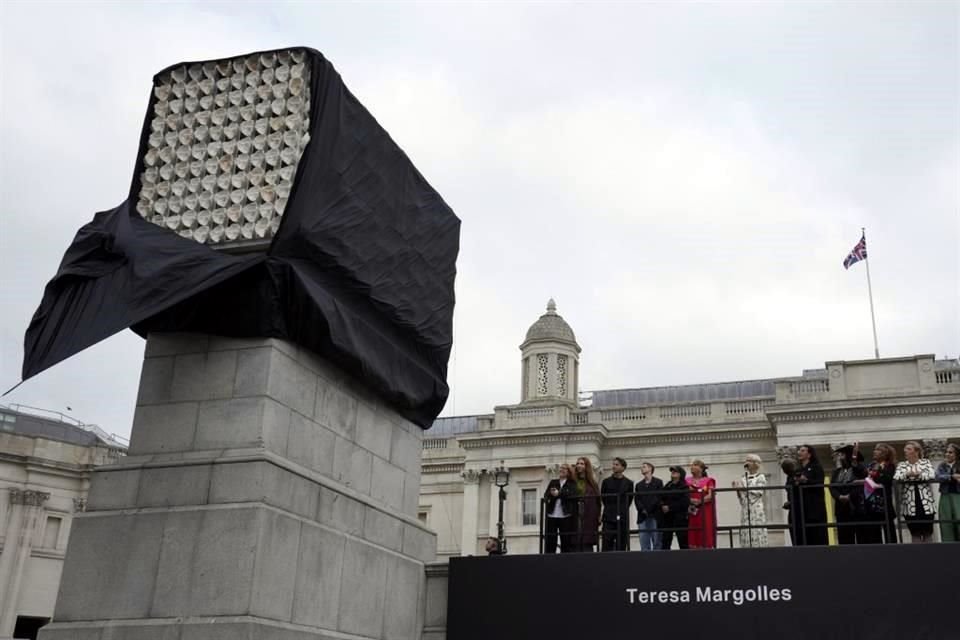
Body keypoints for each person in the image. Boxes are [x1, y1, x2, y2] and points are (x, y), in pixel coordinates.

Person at [894, 441, 936, 543]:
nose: (905, 451)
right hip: (909, 503)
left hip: (926, 503)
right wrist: (908, 474)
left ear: (916, 451)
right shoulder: (902, 465)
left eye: (908, 449)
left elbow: (931, 475)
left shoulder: (925, 462)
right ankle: (918, 556)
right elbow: (896, 477)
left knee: (927, 531)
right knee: (915, 532)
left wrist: (918, 475)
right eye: (905, 449)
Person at [830, 443, 867, 545]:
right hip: (841, 508)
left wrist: (850, 496)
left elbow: (861, 484)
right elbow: (832, 487)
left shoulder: (858, 469)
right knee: (844, 538)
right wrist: (839, 496)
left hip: (856, 507)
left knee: (861, 538)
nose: (840, 458)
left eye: (842, 455)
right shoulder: (837, 472)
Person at [862, 443, 897, 544]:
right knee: (874, 534)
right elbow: (866, 477)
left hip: (884, 502)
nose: (874, 452)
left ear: (885, 453)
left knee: (889, 533)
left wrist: (877, 474)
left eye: (877, 450)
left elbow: (886, 479)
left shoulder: (890, 466)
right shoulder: (871, 465)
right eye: (875, 450)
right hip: (871, 503)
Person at [794, 444, 828, 546]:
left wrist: (806, 480)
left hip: (815, 507)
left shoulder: (816, 467)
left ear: (809, 454)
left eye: (803, 451)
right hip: (802, 507)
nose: (799, 452)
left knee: (817, 536)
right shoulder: (798, 470)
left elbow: (820, 483)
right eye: (799, 450)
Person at [733, 454, 768, 548]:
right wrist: (737, 489)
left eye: (749, 460)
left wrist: (743, 488)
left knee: (756, 526)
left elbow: (758, 492)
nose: (746, 462)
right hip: (745, 507)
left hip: (755, 507)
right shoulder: (743, 478)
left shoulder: (760, 477)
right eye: (746, 460)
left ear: (755, 463)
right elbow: (741, 496)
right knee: (746, 526)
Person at [600, 457, 634, 551]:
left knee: (622, 544)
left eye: (616, 464)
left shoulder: (629, 483)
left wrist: (621, 509)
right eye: (613, 464)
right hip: (608, 516)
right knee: (606, 543)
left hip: (622, 517)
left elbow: (629, 500)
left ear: (623, 468)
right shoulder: (606, 482)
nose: (614, 466)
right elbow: (604, 498)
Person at [544, 463, 578, 553]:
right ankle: (549, 559)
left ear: (569, 472)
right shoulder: (553, 482)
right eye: (561, 468)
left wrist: (559, 494)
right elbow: (546, 495)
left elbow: (572, 494)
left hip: (565, 515)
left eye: (564, 468)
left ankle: (565, 560)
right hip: (552, 515)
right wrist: (551, 494)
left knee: (565, 540)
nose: (561, 470)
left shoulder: (572, 483)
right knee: (550, 541)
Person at [634, 462, 664, 551]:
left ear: (650, 469)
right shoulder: (639, 485)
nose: (642, 468)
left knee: (657, 541)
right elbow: (637, 499)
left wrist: (649, 508)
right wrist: (642, 509)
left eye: (644, 467)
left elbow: (658, 497)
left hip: (655, 515)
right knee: (644, 541)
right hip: (643, 516)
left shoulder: (658, 482)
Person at [686, 460, 716, 549]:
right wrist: (690, 500)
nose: (692, 467)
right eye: (691, 465)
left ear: (701, 469)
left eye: (695, 465)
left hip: (705, 509)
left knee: (705, 529)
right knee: (692, 530)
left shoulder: (709, 480)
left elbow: (710, 496)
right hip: (691, 510)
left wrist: (699, 501)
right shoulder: (686, 480)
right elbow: (684, 494)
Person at [574, 456, 601, 552]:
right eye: (577, 463)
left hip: (589, 513)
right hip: (575, 511)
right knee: (575, 539)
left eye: (581, 463)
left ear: (586, 466)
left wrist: (598, 515)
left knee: (586, 541)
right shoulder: (572, 482)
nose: (579, 465)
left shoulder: (592, 483)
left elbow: (598, 501)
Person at [935, 443, 960, 542]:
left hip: (958, 495)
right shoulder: (942, 465)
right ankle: (948, 547)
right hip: (945, 495)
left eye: (950, 452)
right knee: (946, 522)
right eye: (946, 452)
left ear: (957, 454)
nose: (947, 454)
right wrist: (951, 477)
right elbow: (937, 476)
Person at [660, 465, 689, 550]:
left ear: (680, 474)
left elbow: (685, 502)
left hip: (680, 517)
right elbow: (661, 496)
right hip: (667, 517)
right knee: (665, 541)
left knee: (682, 541)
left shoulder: (684, 486)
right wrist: (662, 506)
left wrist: (670, 507)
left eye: (675, 471)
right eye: (672, 471)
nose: (672, 472)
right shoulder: (668, 485)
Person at [781, 458, 801, 545]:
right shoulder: (789, 477)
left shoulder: (798, 475)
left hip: (800, 508)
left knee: (799, 533)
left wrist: (791, 503)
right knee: (793, 532)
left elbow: (798, 492)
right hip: (792, 508)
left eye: (786, 468)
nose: (785, 471)